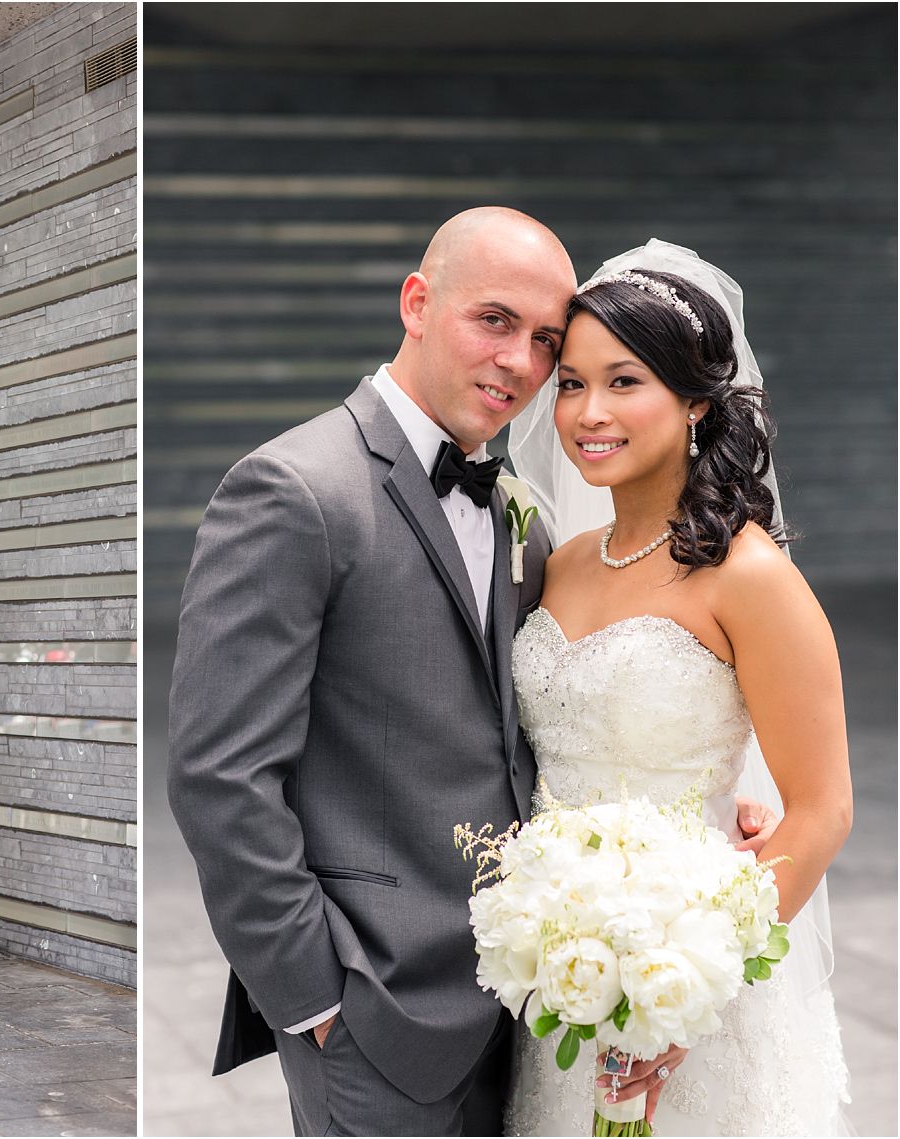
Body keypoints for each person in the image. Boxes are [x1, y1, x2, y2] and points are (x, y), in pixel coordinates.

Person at [167, 208, 779, 1136]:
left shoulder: (522, 513)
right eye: (493, 320)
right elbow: (219, 776)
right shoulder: (295, 489)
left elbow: (551, 715)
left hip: (529, 1006)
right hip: (374, 1009)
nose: (521, 365)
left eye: (544, 341)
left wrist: (699, 806)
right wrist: (316, 1001)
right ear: (418, 302)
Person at [505, 241, 850, 1135]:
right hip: (560, 977)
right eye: (571, 383)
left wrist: (682, 991)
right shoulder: (560, 564)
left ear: (696, 398)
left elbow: (820, 809)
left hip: (690, 989)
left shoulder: (750, 577)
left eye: (624, 381)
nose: (588, 411)